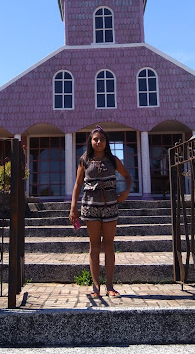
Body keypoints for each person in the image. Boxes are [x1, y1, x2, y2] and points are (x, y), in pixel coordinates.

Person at [69, 125, 133, 297]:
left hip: (111, 207)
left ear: (106, 142)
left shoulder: (113, 160)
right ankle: (96, 287)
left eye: (102, 139)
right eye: (95, 139)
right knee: (94, 246)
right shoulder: (84, 160)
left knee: (109, 245)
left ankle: (110, 286)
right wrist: (73, 206)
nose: (99, 142)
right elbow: (77, 184)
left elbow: (128, 177)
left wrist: (126, 192)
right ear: (90, 141)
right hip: (90, 208)